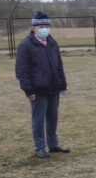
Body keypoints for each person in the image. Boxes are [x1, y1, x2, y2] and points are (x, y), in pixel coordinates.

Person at [14, 11, 69, 158]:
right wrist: (28, 90)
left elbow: (59, 65)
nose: (44, 28)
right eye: (41, 26)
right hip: (38, 91)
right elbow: (21, 71)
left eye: (46, 25)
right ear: (33, 28)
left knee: (53, 117)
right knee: (38, 120)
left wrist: (62, 83)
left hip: (53, 88)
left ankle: (53, 144)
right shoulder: (25, 45)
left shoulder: (52, 42)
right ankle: (40, 147)